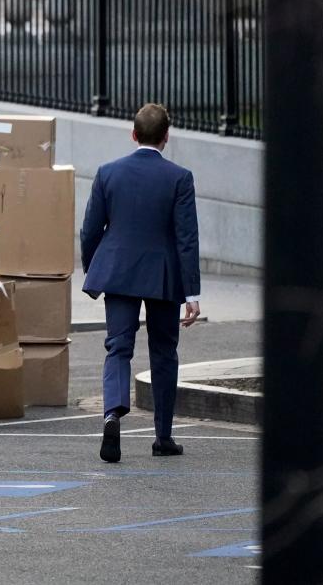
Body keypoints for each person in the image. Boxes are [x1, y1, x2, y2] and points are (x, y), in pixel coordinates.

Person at [80, 103, 201, 464]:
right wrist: (191, 292)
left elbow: (90, 230)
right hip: (162, 277)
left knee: (118, 347)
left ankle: (112, 414)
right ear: (167, 137)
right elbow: (186, 239)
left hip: (117, 271)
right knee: (164, 352)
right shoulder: (180, 178)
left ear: (133, 134)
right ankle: (163, 436)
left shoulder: (107, 173)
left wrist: (96, 268)